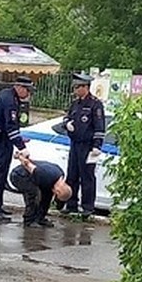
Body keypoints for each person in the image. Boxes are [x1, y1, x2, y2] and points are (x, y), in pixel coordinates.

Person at [0, 76, 33, 222]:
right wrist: (22, 147)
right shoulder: (11, 101)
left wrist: (18, 139)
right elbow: (11, 127)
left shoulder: (5, 94)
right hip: (1, 139)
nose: (29, 94)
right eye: (28, 90)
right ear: (19, 87)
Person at [58, 72, 106, 217]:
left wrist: (97, 146)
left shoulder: (95, 104)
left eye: (77, 87)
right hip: (75, 144)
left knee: (87, 177)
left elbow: (99, 127)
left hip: (88, 146)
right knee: (72, 175)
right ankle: (71, 204)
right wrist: (68, 124)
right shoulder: (75, 103)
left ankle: (87, 207)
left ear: (85, 87)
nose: (75, 90)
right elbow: (66, 118)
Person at [9, 150, 73, 228]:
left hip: (35, 177)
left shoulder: (59, 175)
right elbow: (27, 164)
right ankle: (29, 220)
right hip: (19, 176)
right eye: (57, 196)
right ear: (58, 191)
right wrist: (19, 156)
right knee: (34, 194)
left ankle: (40, 218)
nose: (55, 197)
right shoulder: (45, 175)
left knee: (47, 195)